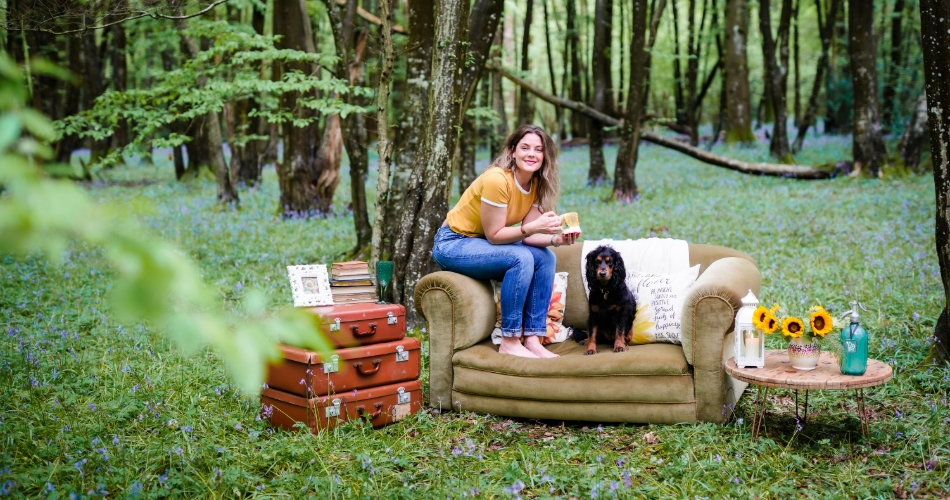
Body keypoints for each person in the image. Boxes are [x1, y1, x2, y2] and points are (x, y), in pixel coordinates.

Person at [431, 125, 579, 358]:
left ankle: (532, 339)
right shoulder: (497, 180)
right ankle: (509, 341)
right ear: (512, 151)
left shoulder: (536, 183)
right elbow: (495, 235)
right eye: (525, 147)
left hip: (480, 244)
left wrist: (556, 238)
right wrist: (532, 227)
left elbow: (530, 237)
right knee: (519, 258)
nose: (532, 154)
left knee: (545, 257)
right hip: (453, 243)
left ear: (545, 156)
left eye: (538, 149)